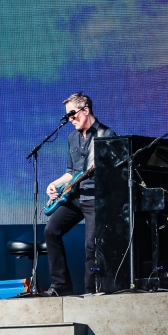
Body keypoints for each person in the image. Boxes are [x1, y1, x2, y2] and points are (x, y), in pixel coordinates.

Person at [43, 93, 114, 296]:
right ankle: (60, 286)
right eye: (67, 116)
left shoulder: (106, 135)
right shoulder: (72, 138)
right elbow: (72, 171)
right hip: (75, 196)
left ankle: (91, 292)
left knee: (91, 246)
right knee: (51, 230)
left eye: (72, 114)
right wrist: (54, 184)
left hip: (95, 198)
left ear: (86, 110)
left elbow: (110, 172)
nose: (70, 119)